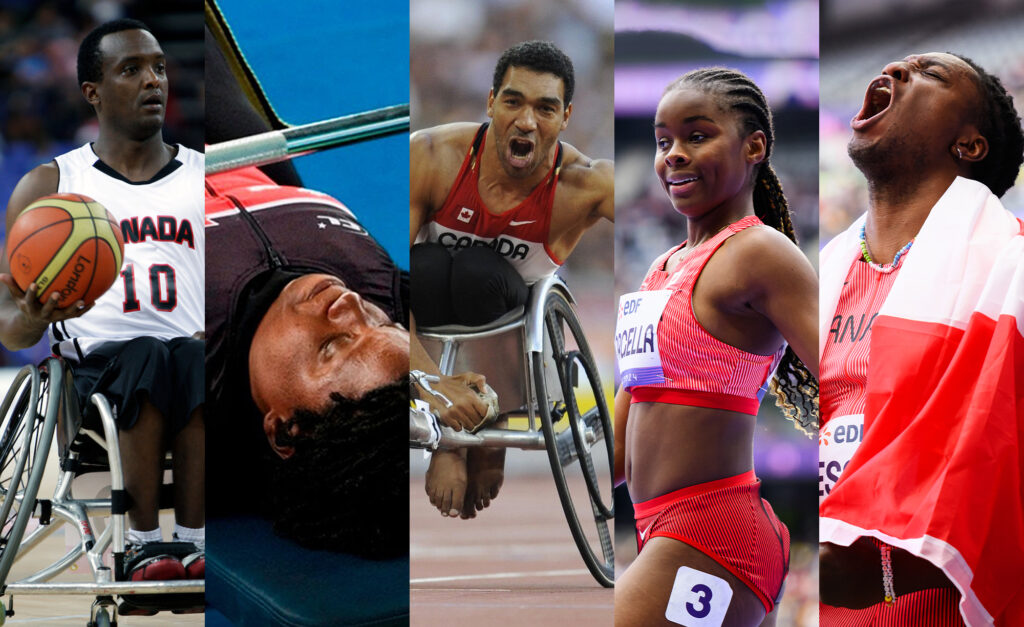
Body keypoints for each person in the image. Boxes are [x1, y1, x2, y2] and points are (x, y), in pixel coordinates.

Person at [818, 53, 1024, 626]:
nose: (896, 71)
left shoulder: (1011, 269)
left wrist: (883, 569)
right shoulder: (819, 273)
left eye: (930, 74)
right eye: (897, 66)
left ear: (969, 145)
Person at [0, 18, 205, 594]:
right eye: (132, 69)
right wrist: (31, 319)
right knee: (146, 354)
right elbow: (10, 324)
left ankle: (192, 542)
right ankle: (140, 547)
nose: (153, 81)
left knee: (191, 356)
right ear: (93, 91)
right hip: (91, 379)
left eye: (160, 67)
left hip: (191, 367)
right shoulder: (51, 184)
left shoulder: (205, 175)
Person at [613, 68, 819, 627]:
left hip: (714, 534)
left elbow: (847, 377)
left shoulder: (760, 253)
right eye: (663, 142)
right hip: (657, 528)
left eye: (697, 136)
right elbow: (616, 453)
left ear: (754, 145)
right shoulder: (658, 270)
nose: (673, 155)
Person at [203, 24, 408, 558]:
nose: (352, 308)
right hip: (250, 155)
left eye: (333, 346)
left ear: (282, 430)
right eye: (382, 323)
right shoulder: (389, 295)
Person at [409, 40, 613, 519]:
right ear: (490, 103)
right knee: (426, 266)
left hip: (508, 309)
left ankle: (491, 418)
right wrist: (432, 386)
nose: (526, 121)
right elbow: (384, 282)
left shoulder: (586, 184)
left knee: (476, 273)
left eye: (544, 108)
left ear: (565, 118)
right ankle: (454, 442)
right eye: (513, 101)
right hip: (427, 301)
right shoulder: (432, 155)